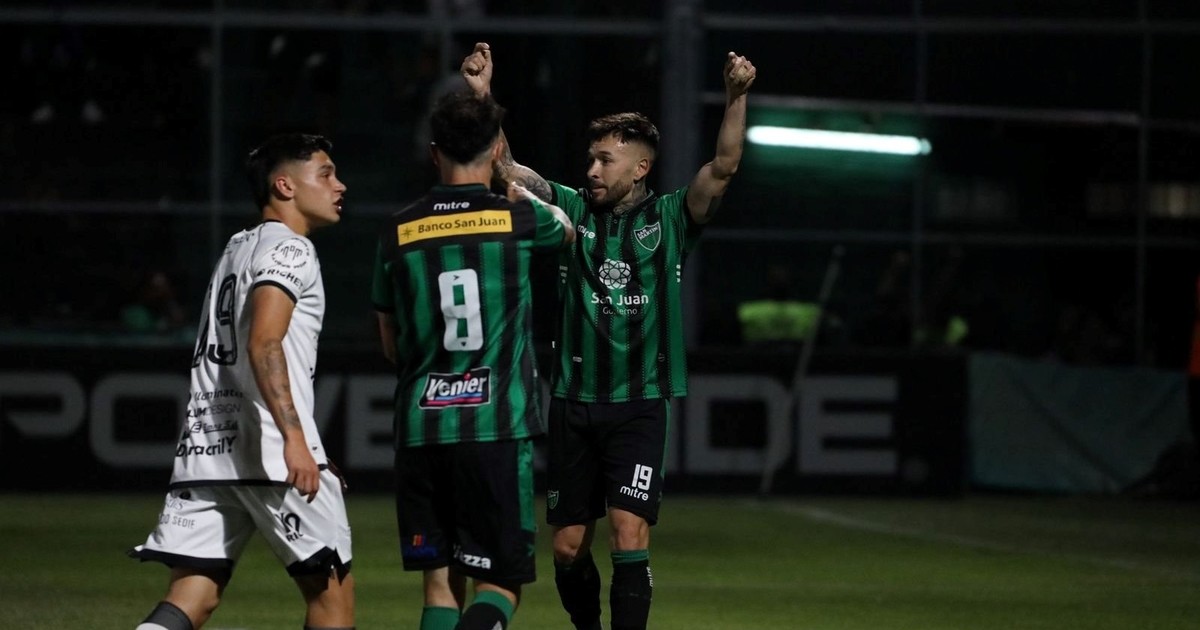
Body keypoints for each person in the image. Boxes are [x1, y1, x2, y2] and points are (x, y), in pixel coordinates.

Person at [461, 42, 756, 630]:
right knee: (567, 547)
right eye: (591, 159)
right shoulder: (570, 209)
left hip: (639, 403)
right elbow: (505, 170)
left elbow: (722, 167)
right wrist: (481, 96)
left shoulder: (671, 218)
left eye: (605, 160)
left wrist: (735, 98)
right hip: (573, 402)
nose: (592, 170)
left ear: (640, 168)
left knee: (628, 531)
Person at [129, 133, 354, 630]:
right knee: (331, 604)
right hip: (272, 453)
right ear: (285, 186)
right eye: (325, 174)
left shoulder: (237, 247)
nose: (339, 185)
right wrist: (296, 439)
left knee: (192, 597)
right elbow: (264, 344)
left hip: (209, 451)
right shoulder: (291, 249)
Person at [371, 90, 574, 630]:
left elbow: (390, 344)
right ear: (497, 149)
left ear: (433, 152)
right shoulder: (519, 220)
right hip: (494, 429)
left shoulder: (397, 231)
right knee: (500, 586)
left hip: (421, 430)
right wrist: (522, 193)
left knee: (439, 589)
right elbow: (568, 230)